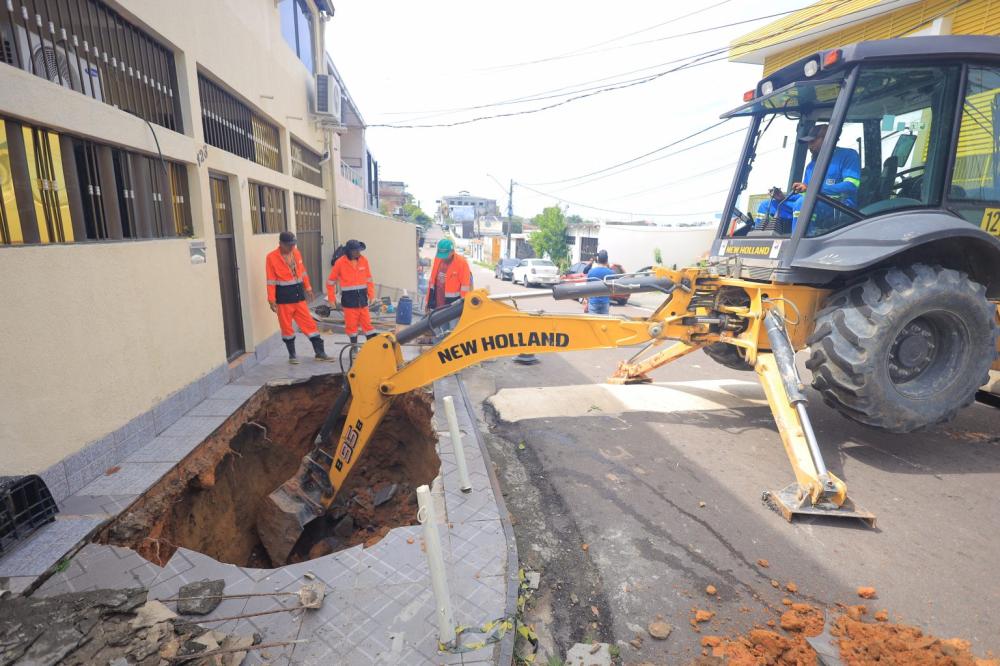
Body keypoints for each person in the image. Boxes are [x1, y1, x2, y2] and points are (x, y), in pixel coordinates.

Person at [265, 231, 330, 364]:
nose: (291, 248)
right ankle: (292, 356)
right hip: (283, 299)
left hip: (299, 296)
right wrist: (271, 299)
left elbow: (303, 272)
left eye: (293, 245)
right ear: (280, 244)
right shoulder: (271, 257)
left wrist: (309, 288)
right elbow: (270, 280)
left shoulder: (296, 253)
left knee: (310, 324)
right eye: (289, 245)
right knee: (287, 328)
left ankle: (320, 353)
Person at [788, 124, 861, 231]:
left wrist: (812, 189)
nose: (809, 146)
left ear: (827, 139)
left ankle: (805, 241)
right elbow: (805, 193)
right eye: (808, 142)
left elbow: (851, 185)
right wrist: (782, 197)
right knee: (767, 205)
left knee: (802, 204)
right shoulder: (810, 166)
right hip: (814, 204)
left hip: (840, 207)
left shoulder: (848, 155)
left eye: (812, 141)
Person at [327, 239, 377, 345]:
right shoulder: (340, 263)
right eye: (356, 251)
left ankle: (372, 349)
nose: (359, 253)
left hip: (362, 300)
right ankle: (354, 348)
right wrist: (331, 299)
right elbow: (330, 282)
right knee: (351, 327)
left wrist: (372, 295)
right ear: (349, 251)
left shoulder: (364, 260)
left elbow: (369, 279)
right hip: (349, 301)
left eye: (360, 250)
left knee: (368, 325)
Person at [426, 238, 472, 313]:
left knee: (454, 325)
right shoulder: (438, 259)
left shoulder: (461, 263)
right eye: (441, 255)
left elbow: (465, 288)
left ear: (452, 251)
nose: (443, 258)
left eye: (445, 255)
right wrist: (428, 302)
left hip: (453, 307)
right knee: (438, 325)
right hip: (437, 306)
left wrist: (464, 307)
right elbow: (431, 283)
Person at [585, 250, 615, 315]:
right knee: (604, 323)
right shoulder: (611, 273)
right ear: (607, 260)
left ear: (598, 260)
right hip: (605, 302)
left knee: (593, 323)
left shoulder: (591, 272)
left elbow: (587, 290)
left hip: (593, 302)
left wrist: (587, 304)